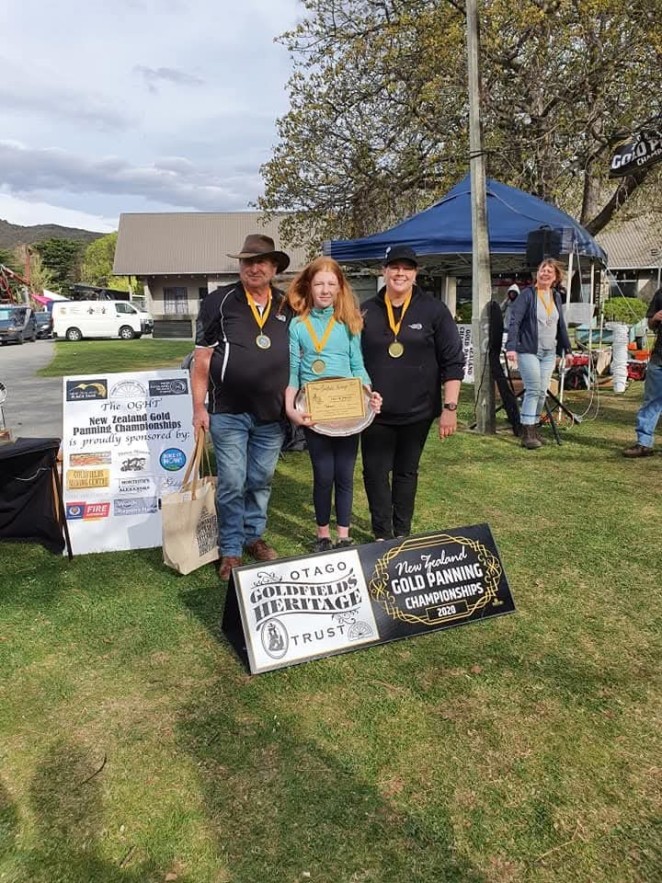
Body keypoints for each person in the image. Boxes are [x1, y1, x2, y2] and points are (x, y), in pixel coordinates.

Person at [192, 234, 291, 580]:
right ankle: (231, 549)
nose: (255, 267)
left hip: (272, 413)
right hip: (228, 411)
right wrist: (199, 408)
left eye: (262, 261)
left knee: (261, 479)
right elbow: (202, 359)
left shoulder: (286, 304)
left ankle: (254, 537)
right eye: (248, 261)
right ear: (240, 266)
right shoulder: (219, 302)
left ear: (274, 267)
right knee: (233, 481)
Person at [360, 245, 464, 541]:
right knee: (375, 473)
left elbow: (453, 361)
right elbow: (350, 357)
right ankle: (383, 534)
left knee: (406, 472)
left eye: (407, 268)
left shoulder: (433, 309)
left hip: (418, 410)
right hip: (375, 412)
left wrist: (450, 408)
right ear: (384, 270)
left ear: (416, 273)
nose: (400, 273)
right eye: (394, 267)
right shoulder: (365, 309)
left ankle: (402, 533)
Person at [284, 257, 382, 551]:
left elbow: (358, 365)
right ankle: (323, 534)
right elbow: (292, 373)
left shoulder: (349, 322)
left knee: (345, 474)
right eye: (319, 284)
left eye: (331, 284)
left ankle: (344, 535)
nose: (325, 290)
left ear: (340, 288)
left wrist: (369, 394)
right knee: (323, 473)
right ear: (309, 287)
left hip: (348, 410)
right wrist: (290, 409)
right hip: (315, 412)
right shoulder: (297, 326)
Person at [506, 259, 573, 449]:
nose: (545, 273)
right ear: (537, 273)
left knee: (542, 392)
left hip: (549, 352)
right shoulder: (527, 295)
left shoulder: (556, 297)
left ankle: (534, 429)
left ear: (555, 277)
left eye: (549, 271)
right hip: (529, 350)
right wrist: (511, 347)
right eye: (542, 269)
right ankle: (526, 433)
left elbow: (561, 326)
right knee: (534, 389)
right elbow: (515, 321)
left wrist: (567, 350)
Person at [623, 286, 662, 457]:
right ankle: (644, 443)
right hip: (659, 356)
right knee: (651, 401)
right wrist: (655, 318)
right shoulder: (660, 293)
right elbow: (650, 324)